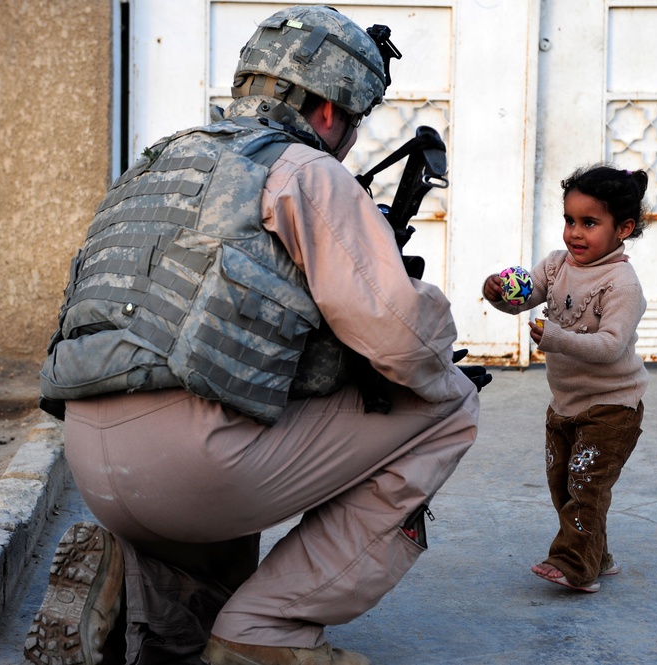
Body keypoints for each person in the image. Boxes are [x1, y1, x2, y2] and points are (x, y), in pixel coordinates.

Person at [25, 6, 489, 665]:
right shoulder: (304, 170)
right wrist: (439, 342)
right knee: (448, 407)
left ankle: (134, 582)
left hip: (95, 463)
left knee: (241, 390)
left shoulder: (159, 161)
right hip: (195, 468)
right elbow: (400, 340)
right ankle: (264, 632)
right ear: (330, 111)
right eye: (352, 123)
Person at [482, 164, 649, 593]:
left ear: (623, 229)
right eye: (569, 220)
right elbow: (525, 298)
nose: (575, 233)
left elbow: (611, 345)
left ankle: (574, 564)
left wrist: (556, 337)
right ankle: (598, 555)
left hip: (613, 406)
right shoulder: (556, 266)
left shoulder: (621, 283)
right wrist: (498, 292)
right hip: (565, 404)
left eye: (589, 223)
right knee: (564, 485)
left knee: (586, 485)